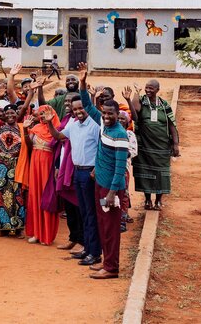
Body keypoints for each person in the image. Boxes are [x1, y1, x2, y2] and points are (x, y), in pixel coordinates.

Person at [46, 66, 102, 266]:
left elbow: (86, 100)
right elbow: (59, 136)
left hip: (90, 174)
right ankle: (87, 247)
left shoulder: (95, 124)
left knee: (90, 213)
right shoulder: (72, 124)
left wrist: (83, 82)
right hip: (78, 173)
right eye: (75, 109)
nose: (78, 111)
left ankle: (95, 252)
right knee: (84, 211)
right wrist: (49, 124)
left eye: (81, 109)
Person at [91, 98, 131, 279]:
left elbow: (120, 167)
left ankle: (112, 268)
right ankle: (107, 261)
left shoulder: (120, 135)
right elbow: (88, 107)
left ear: (117, 114)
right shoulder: (104, 126)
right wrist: (83, 84)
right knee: (103, 225)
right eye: (104, 113)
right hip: (101, 184)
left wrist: (112, 193)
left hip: (111, 190)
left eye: (110, 114)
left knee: (111, 229)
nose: (106, 116)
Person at [127, 80, 179, 210]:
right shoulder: (142, 101)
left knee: (162, 173)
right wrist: (136, 93)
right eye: (146, 88)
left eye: (151, 88)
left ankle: (159, 201)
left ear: (157, 90)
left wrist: (176, 143)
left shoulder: (164, 105)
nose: (148, 90)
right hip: (145, 144)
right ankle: (148, 200)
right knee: (145, 171)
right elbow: (135, 112)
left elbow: (172, 124)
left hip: (162, 146)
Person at [20, 105, 61, 245]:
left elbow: (60, 148)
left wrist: (50, 122)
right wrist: (25, 130)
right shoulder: (36, 128)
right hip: (35, 166)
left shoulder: (57, 128)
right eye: (40, 114)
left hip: (49, 167)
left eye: (45, 113)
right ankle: (37, 233)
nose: (42, 116)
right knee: (35, 197)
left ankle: (47, 235)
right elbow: (30, 145)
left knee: (47, 198)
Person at [0, 103, 25, 236]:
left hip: (16, 163)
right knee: (0, 194)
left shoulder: (22, 127)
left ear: (17, 115)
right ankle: (3, 227)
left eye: (12, 113)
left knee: (17, 195)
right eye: (7, 113)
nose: (9, 115)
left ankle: (19, 228)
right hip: (1, 164)